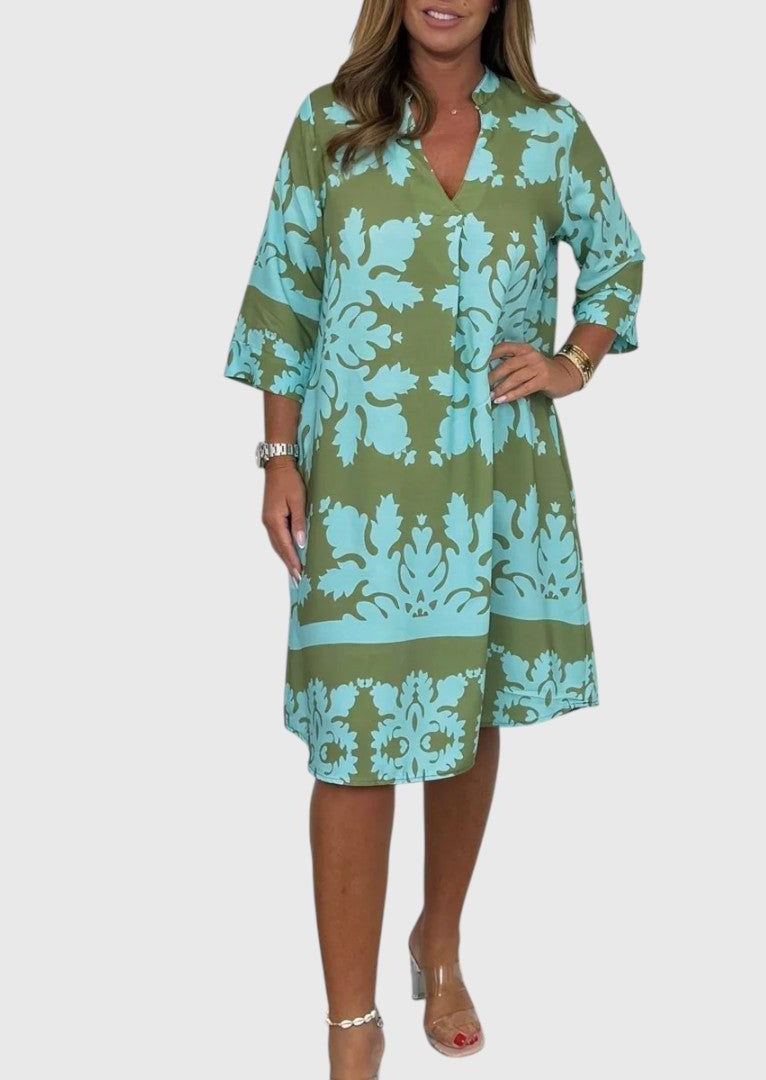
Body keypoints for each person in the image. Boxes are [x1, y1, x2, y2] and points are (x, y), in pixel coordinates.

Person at [223, 1, 644, 1075]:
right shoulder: (327, 123)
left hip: (496, 476)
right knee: (353, 743)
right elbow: (283, 300)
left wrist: (571, 363)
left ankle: (440, 941)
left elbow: (616, 259)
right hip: (358, 483)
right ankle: (350, 1025)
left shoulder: (549, 131)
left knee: (469, 708)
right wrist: (277, 459)